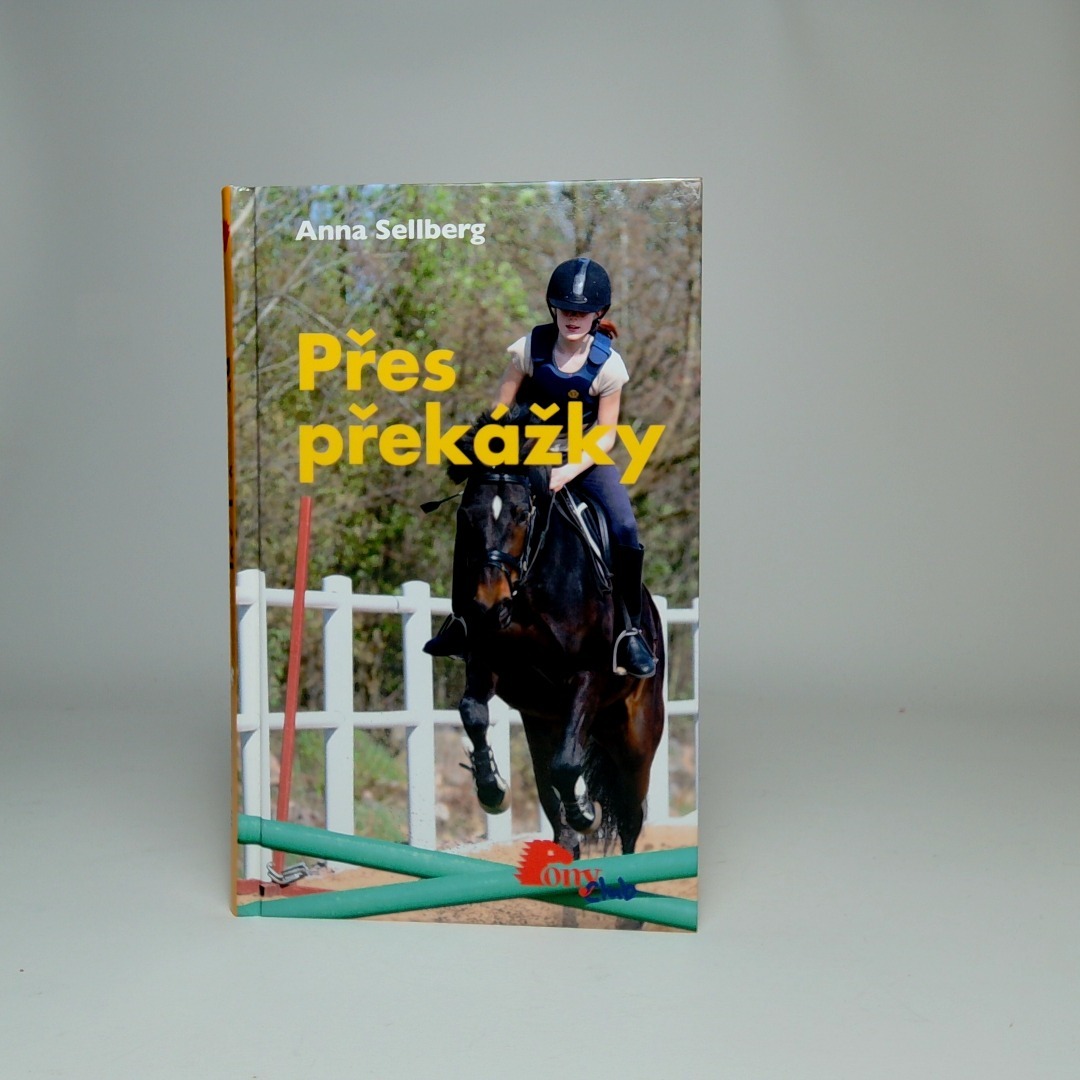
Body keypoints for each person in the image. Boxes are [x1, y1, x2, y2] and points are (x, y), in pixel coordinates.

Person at [425, 256, 656, 678]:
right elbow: (500, 408)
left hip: (583, 455)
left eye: (582, 312)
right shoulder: (528, 348)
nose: (573, 318)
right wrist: (487, 450)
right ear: (554, 309)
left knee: (624, 524)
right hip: (527, 449)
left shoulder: (609, 366)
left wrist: (568, 471)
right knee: (476, 513)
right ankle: (460, 621)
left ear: (598, 314)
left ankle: (630, 632)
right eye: (566, 309)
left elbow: (606, 433)